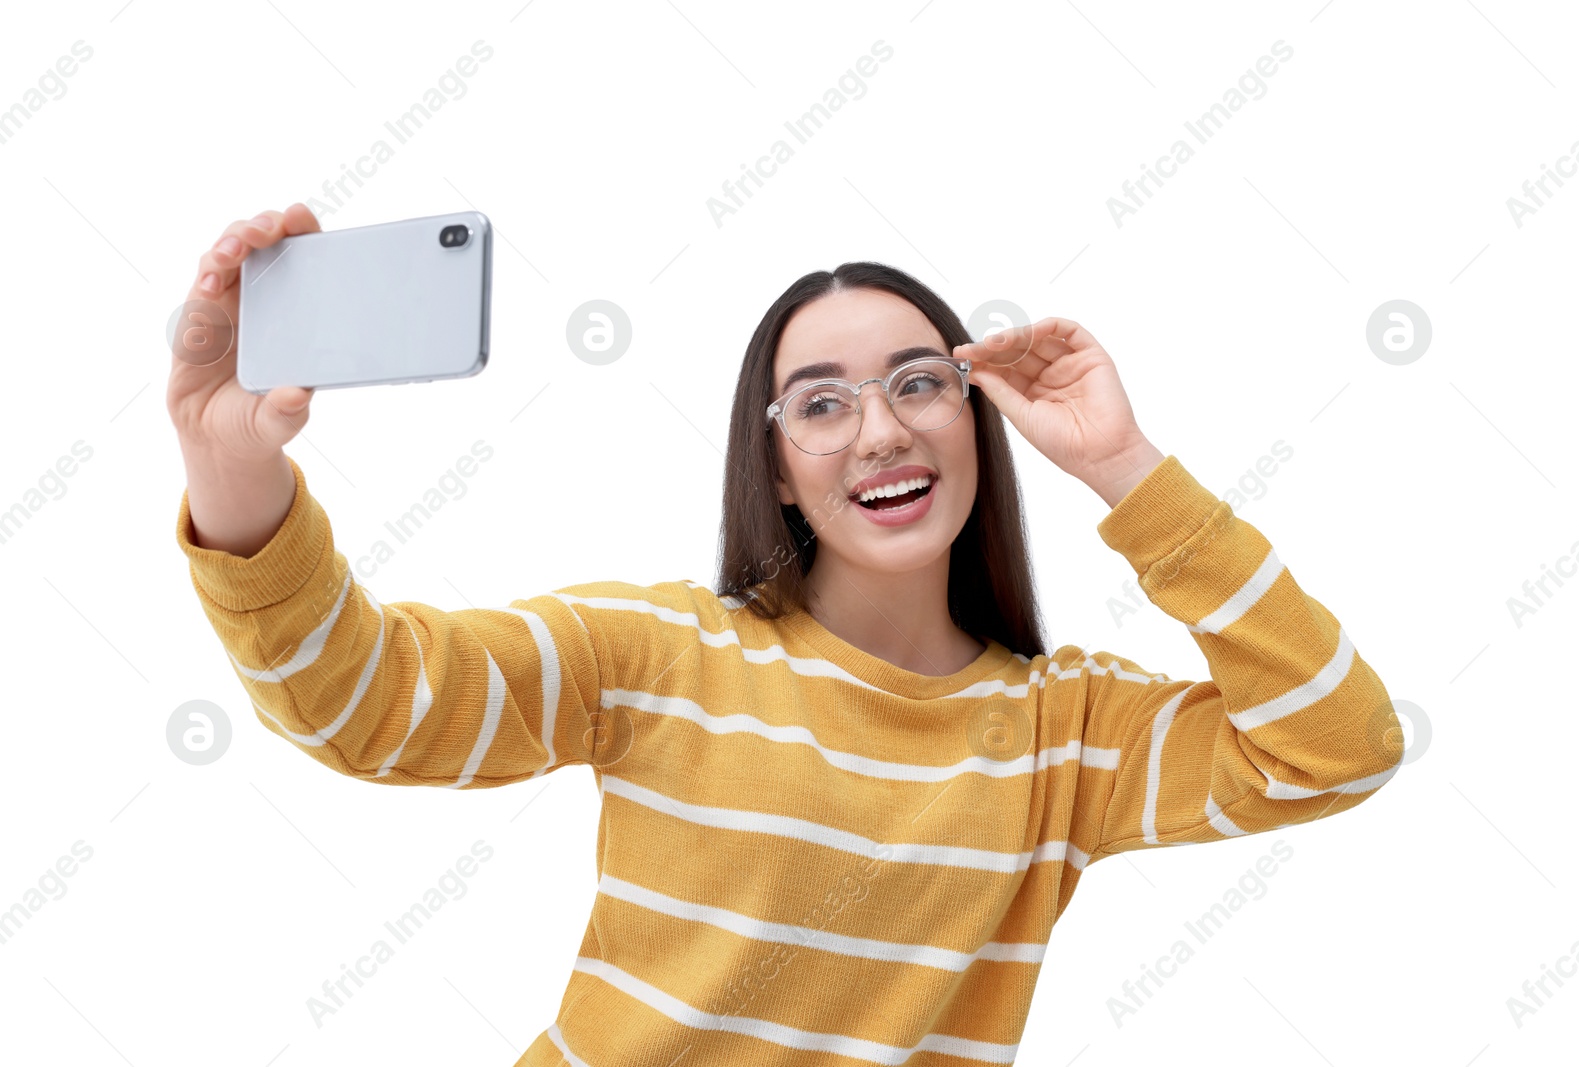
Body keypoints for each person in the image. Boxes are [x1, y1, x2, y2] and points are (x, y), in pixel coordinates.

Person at [169, 203, 1406, 1065]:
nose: (880, 431)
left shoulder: (1064, 733)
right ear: (773, 458)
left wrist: (1128, 471)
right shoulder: (661, 652)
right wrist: (227, 468)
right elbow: (366, 705)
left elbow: (1335, 746)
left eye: (920, 382)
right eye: (822, 402)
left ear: (980, 420)